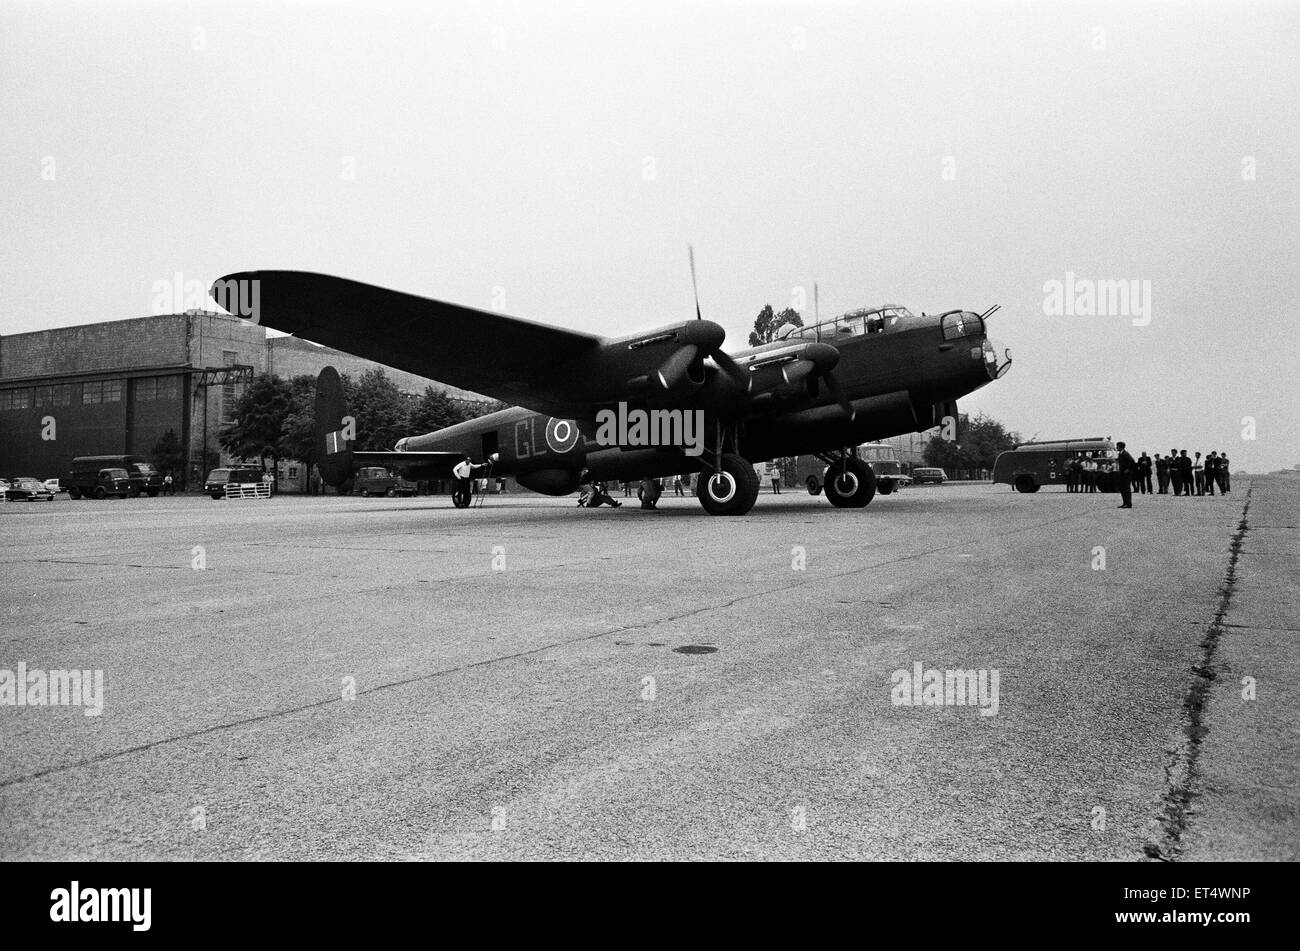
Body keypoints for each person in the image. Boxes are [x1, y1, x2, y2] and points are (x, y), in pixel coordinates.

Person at [1115, 442, 1135, 508]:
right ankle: (1125, 503)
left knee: (1126, 488)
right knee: (1122, 488)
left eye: (1117, 446)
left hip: (1126, 475)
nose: (1116, 447)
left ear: (1121, 447)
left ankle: (1128, 503)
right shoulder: (1120, 454)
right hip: (1122, 474)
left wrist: (1128, 469)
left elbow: (1132, 461)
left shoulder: (1126, 454)